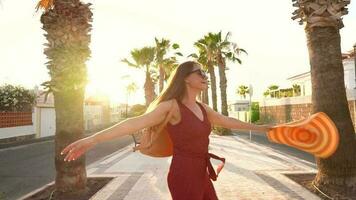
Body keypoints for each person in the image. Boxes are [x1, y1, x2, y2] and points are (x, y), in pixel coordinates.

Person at [61, 61, 273, 200]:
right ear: (185, 78)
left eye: (205, 72)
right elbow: (136, 122)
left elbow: (227, 121)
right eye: (199, 72)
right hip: (184, 174)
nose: (204, 75)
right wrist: (94, 139)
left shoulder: (201, 108)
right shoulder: (172, 107)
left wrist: (262, 128)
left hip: (201, 172)